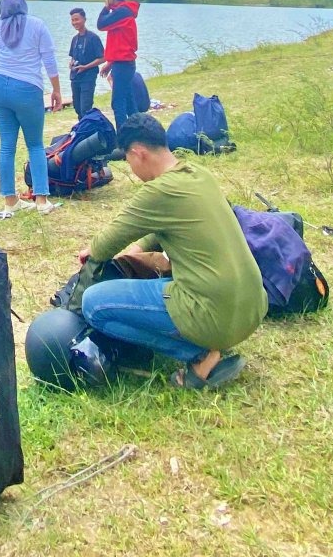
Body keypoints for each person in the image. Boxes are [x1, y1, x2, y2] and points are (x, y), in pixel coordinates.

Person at [76, 114, 265, 389]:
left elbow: (104, 246)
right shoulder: (199, 174)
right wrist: (140, 247)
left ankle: (201, 356)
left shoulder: (157, 192)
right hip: (252, 307)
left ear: (138, 153)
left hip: (215, 315)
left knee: (94, 304)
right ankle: (207, 342)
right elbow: (173, 221)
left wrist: (89, 251)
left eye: (128, 160)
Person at [0, 0, 63, 218]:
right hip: (27, 89)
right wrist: (56, 90)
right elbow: (49, 60)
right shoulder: (37, 25)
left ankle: (9, 202)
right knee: (35, 145)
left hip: (0, 87)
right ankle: (42, 200)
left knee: (7, 146)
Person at [97, 0, 140, 130]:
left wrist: (106, 7)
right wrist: (110, 63)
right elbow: (120, 42)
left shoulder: (121, 12)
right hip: (123, 63)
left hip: (123, 65)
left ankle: (123, 140)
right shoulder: (124, 11)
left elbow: (101, 24)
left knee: (118, 103)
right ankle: (139, 133)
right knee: (128, 102)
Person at [68, 8, 105, 118]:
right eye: (72, 20)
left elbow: (103, 58)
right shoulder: (75, 39)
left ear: (84, 19)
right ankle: (82, 130)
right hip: (75, 77)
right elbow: (73, 57)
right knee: (77, 107)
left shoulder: (93, 38)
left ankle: (88, 131)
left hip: (88, 77)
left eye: (77, 19)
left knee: (86, 108)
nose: (75, 22)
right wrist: (71, 63)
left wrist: (86, 67)